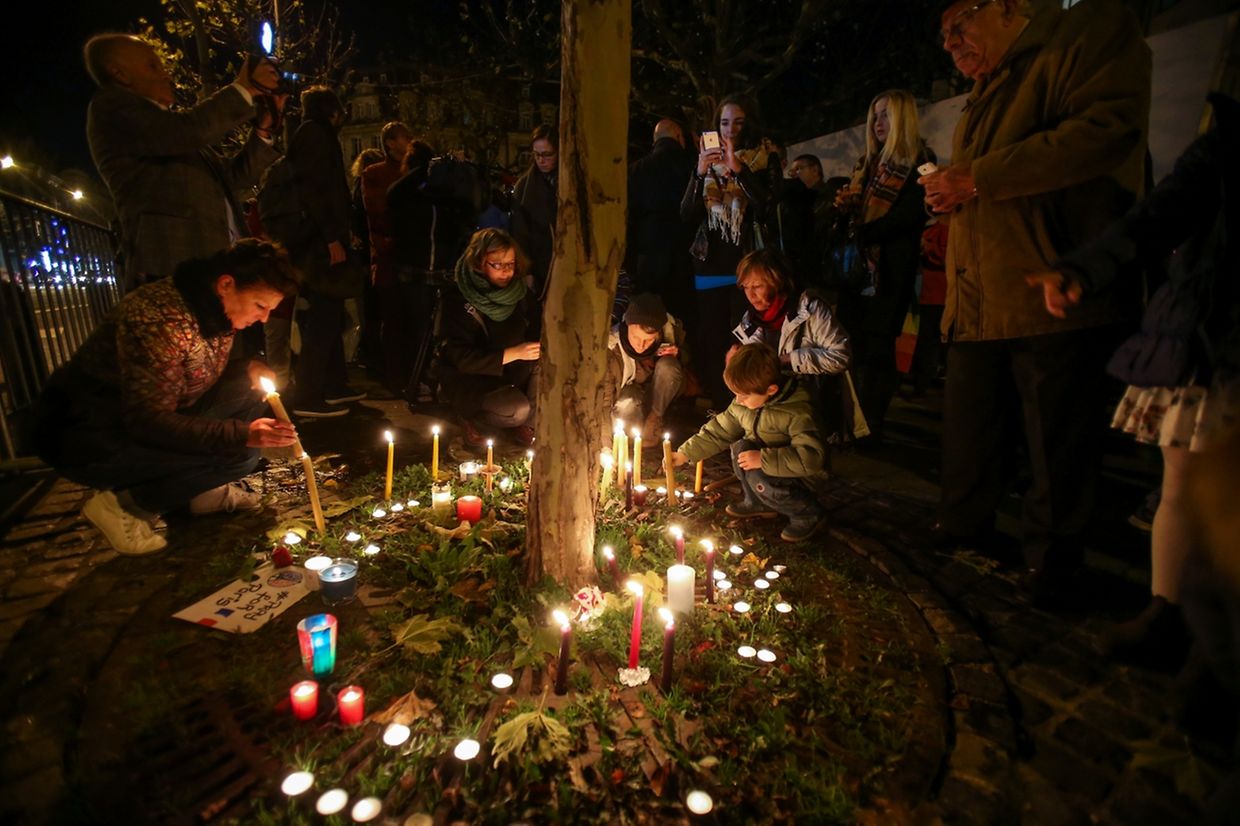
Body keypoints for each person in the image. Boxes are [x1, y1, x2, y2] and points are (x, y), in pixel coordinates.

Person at [918, 0, 1151, 594]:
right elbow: (985, 178)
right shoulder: (987, 87)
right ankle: (965, 524)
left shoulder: (1084, 37)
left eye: (958, 25)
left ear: (1004, 6)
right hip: (977, 296)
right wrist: (953, 194)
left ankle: (1052, 563)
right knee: (972, 426)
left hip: (1046, 283)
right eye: (943, 35)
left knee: (1055, 439)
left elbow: (1101, 133)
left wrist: (975, 178)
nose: (950, 43)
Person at [1027, 93, 1240, 664]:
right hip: (1211, 327)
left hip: (1215, 327)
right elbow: (1162, 211)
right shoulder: (1226, 139)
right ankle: (1167, 611)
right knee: (1183, 483)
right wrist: (1084, 268)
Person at [31, 241, 301, 555]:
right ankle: (125, 506)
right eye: (260, 306)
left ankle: (200, 493)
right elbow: (147, 420)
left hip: (144, 414)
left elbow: (187, 374)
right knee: (242, 453)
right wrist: (242, 434)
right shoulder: (162, 320)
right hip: (88, 434)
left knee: (247, 389)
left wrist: (249, 366)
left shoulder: (214, 307)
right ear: (226, 284)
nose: (265, 318)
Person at [83, 34, 283, 292]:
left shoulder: (168, 130)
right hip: (175, 269)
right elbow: (191, 131)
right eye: (152, 66)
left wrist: (263, 132)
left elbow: (233, 178)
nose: (166, 74)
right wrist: (244, 88)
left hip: (212, 269)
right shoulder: (111, 108)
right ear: (119, 73)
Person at [835, 90, 934, 441]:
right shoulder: (866, 163)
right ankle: (852, 421)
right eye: (875, 116)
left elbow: (913, 214)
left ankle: (870, 423)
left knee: (879, 350)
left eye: (886, 116)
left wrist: (866, 231)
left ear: (903, 119)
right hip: (857, 272)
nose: (878, 123)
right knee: (854, 348)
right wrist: (846, 207)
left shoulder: (920, 160)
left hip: (890, 271)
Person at [672, 343, 826, 542]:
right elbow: (719, 430)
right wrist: (686, 453)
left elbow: (810, 458)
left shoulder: (797, 412)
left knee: (756, 471)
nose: (738, 400)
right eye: (736, 394)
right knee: (739, 448)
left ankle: (807, 514)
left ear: (771, 389)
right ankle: (758, 502)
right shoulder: (744, 403)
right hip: (763, 466)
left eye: (744, 395)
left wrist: (763, 459)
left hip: (799, 477)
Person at [680, 96, 773, 410]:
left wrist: (739, 169)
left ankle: (743, 406)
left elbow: (765, 205)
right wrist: (698, 172)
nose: (730, 129)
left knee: (742, 342)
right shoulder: (704, 167)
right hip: (708, 266)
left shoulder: (760, 159)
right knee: (712, 342)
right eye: (724, 122)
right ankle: (720, 408)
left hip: (744, 269)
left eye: (738, 122)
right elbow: (686, 215)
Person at [285, 86, 364, 419]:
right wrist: (332, 236)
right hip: (319, 244)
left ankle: (332, 385)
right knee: (323, 316)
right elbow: (316, 189)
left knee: (330, 313)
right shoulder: (316, 136)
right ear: (333, 110)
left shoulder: (311, 134)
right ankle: (308, 392)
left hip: (321, 240)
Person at [729, 248, 859, 443]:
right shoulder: (751, 320)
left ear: (776, 282)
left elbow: (841, 357)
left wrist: (789, 360)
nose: (751, 294)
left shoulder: (810, 309)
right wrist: (738, 364)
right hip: (772, 404)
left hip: (808, 403)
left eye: (757, 286)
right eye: (746, 287)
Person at [434, 229, 541, 447]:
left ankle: (527, 425)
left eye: (510, 264)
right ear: (479, 262)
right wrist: (514, 353)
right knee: (516, 410)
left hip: (514, 375)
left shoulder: (520, 294)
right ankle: (470, 418)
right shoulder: (458, 299)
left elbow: (537, 327)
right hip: (473, 381)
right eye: (497, 265)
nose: (506, 272)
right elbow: (460, 358)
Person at [361, 123, 416, 391]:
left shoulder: (414, 171)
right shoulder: (375, 174)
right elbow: (378, 214)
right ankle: (395, 377)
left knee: (411, 321)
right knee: (393, 321)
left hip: (410, 258)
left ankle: (412, 375)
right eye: (405, 137)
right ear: (390, 142)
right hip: (390, 258)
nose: (410, 141)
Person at [627, 119, 695, 320]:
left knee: (651, 317)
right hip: (685, 254)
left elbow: (629, 219)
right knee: (684, 316)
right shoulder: (691, 167)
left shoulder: (635, 171)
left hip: (648, 257)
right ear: (679, 137)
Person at [603, 293, 689, 440]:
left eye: (648, 340)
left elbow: (688, 361)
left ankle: (654, 419)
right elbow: (605, 400)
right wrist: (605, 445)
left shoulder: (670, 331)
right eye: (635, 337)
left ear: (659, 333)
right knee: (627, 427)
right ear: (627, 326)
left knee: (669, 366)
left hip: (655, 394)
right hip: (626, 397)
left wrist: (679, 354)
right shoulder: (613, 348)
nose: (640, 345)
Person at [510, 124, 558, 296]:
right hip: (538, 266)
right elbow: (519, 232)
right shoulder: (524, 186)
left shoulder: (569, 183)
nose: (541, 160)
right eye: (537, 154)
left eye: (547, 154)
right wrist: (526, 270)